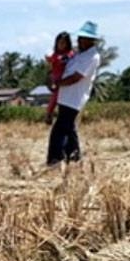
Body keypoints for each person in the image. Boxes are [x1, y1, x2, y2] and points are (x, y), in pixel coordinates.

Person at [47, 21, 101, 167]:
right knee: (70, 129)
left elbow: (76, 77)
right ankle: (74, 158)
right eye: (79, 37)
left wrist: (58, 84)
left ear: (90, 40)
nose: (79, 40)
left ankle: (55, 160)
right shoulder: (79, 54)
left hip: (74, 98)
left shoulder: (92, 57)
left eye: (82, 38)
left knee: (59, 130)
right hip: (66, 97)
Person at [45, 32, 74, 125]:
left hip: (66, 80)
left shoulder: (70, 54)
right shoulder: (55, 55)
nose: (61, 45)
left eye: (63, 43)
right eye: (59, 42)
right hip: (57, 80)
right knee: (54, 98)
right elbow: (50, 63)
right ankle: (49, 114)